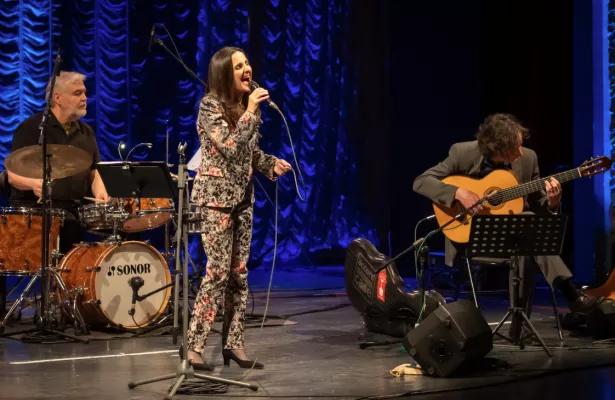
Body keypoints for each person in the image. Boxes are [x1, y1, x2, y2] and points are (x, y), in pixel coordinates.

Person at [413, 113, 602, 318]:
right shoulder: (462, 152)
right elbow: (421, 181)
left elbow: (539, 206)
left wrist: (552, 202)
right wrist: (458, 193)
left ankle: (524, 324)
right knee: (528, 231)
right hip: (471, 237)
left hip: (514, 236)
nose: (520, 153)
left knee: (529, 230)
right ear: (497, 149)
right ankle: (571, 296)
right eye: (515, 148)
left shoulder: (529, 159)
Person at [186, 46, 292, 370]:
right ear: (224, 73)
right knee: (216, 273)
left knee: (239, 275)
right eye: (238, 66)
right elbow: (231, 148)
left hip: (243, 201)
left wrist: (270, 164)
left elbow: (248, 152)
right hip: (216, 202)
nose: (247, 69)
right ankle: (193, 347)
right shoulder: (209, 107)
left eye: (247, 63)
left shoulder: (242, 108)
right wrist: (250, 111)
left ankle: (234, 344)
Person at [7, 71, 109, 255]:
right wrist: (33, 184)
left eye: (85, 93)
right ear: (57, 98)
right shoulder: (32, 128)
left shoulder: (86, 132)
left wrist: (101, 193)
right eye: (77, 93)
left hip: (74, 212)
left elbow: (94, 171)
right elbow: (12, 176)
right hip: (36, 213)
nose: (85, 98)